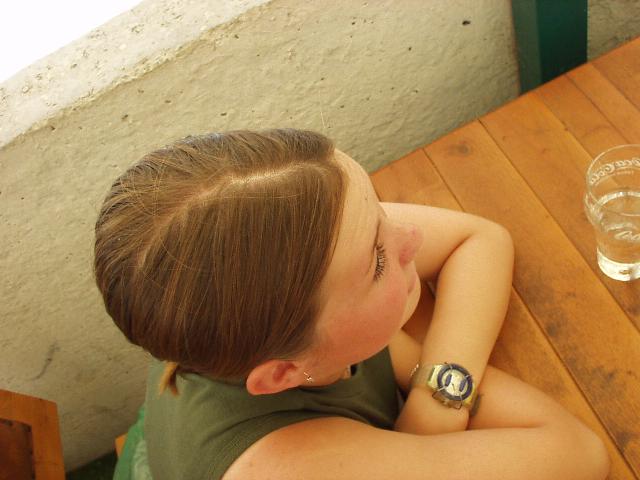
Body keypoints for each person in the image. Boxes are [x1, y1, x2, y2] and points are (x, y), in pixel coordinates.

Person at [94, 129, 610, 480]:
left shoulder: (240, 282)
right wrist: (421, 370)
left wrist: (430, 400)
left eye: (378, 209)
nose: (410, 238)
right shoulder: (297, 467)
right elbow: (579, 454)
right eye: (378, 260)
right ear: (283, 373)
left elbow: (480, 238)